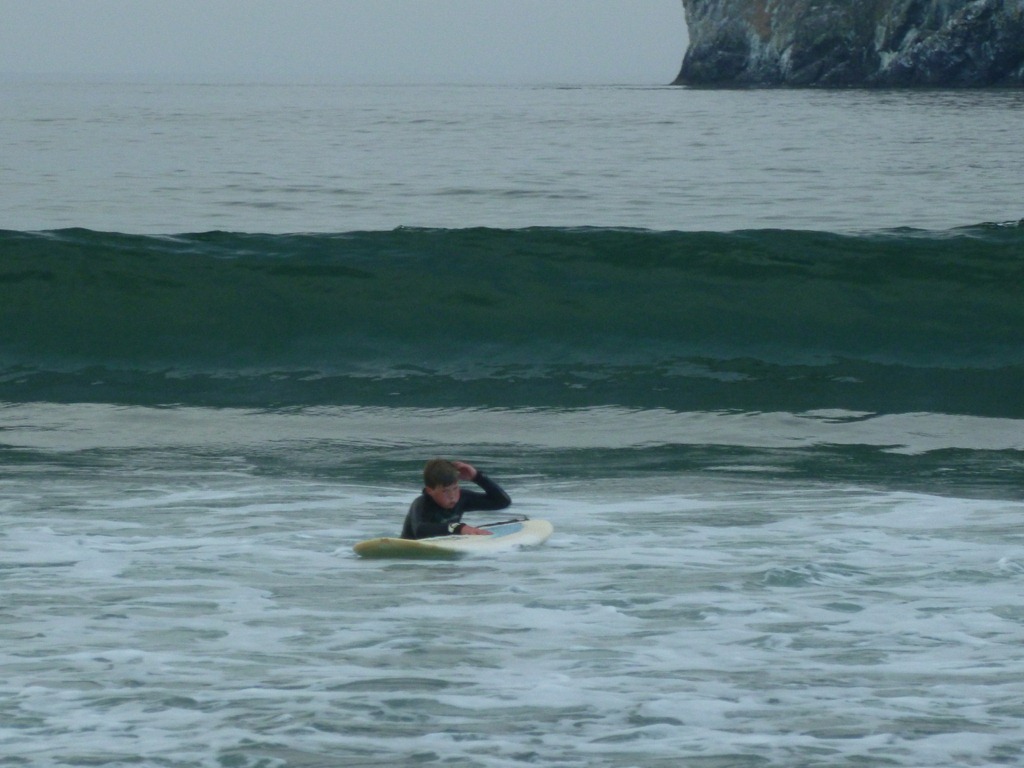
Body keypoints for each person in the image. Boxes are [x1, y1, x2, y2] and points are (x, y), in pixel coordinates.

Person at [400, 458, 511, 540]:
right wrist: (459, 528)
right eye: (445, 491)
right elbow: (420, 531)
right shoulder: (422, 503)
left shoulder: (462, 498)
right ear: (430, 491)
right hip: (410, 554)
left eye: (455, 488)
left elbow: (502, 502)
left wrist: (477, 477)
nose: (452, 496)